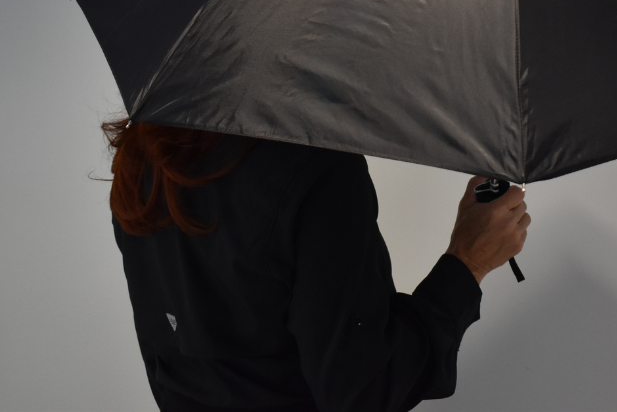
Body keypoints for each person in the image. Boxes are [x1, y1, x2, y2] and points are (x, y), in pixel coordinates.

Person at [104, 120, 530, 412]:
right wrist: (467, 261)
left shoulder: (143, 154)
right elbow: (364, 391)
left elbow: (166, 352)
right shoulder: (316, 169)